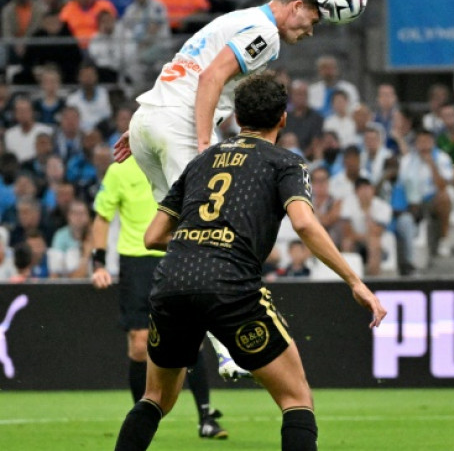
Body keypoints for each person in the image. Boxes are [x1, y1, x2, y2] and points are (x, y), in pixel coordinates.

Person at [111, 71, 386, 451]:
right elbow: (304, 223)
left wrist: (201, 239)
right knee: (296, 398)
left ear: (237, 118)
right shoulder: (285, 163)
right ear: (283, 118)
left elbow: (153, 236)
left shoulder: (201, 161)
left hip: (172, 280)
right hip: (230, 285)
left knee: (155, 398)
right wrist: (355, 282)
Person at [112, 0, 323, 379]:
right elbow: (211, 78)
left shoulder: (235, 18)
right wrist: (204, 141)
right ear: (296, 5)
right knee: (212, 231)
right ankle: (227, 348)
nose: (311, 31)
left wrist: (144, 128)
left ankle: (186, 314)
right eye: (311, 20)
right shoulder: (267, 34)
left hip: (149, 117)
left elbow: (186, 70)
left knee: (172, 237)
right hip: (178, 126)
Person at [91, 156, 228, 440]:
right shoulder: (119, 170)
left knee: (192, 338)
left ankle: (206, 417)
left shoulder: (175, 162)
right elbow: (103, 216)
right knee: (139, 343)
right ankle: (140, 417)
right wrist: (99, 262)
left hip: (176, 252)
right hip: (136, 262)